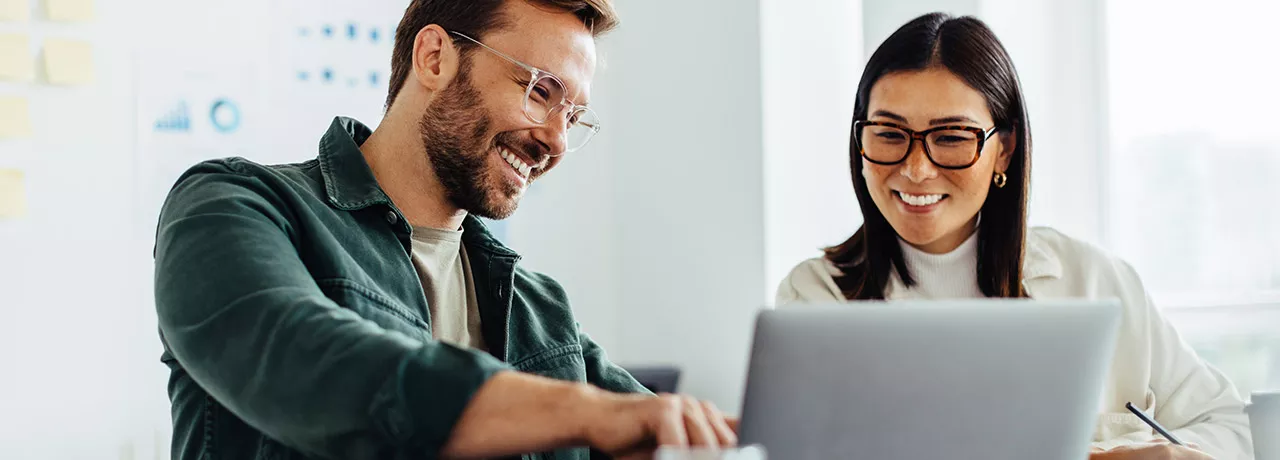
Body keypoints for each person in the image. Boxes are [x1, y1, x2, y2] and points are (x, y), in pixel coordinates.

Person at [152, 1, 737, 459]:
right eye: (539, 91)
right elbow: (315, 364)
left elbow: (649, 424)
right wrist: (590, 412)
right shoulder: (235, 205)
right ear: (434, 57)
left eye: (573, 117)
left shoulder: (540, 309)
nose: (557, 142)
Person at [775, 13, 1252, 460]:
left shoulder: (1096, 280)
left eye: (952, 137)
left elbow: (1229, 425)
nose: (916, 169)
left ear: (1003, 151)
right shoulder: (815, 298)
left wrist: (1173, 454)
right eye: (889, 134)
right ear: (859, 141)